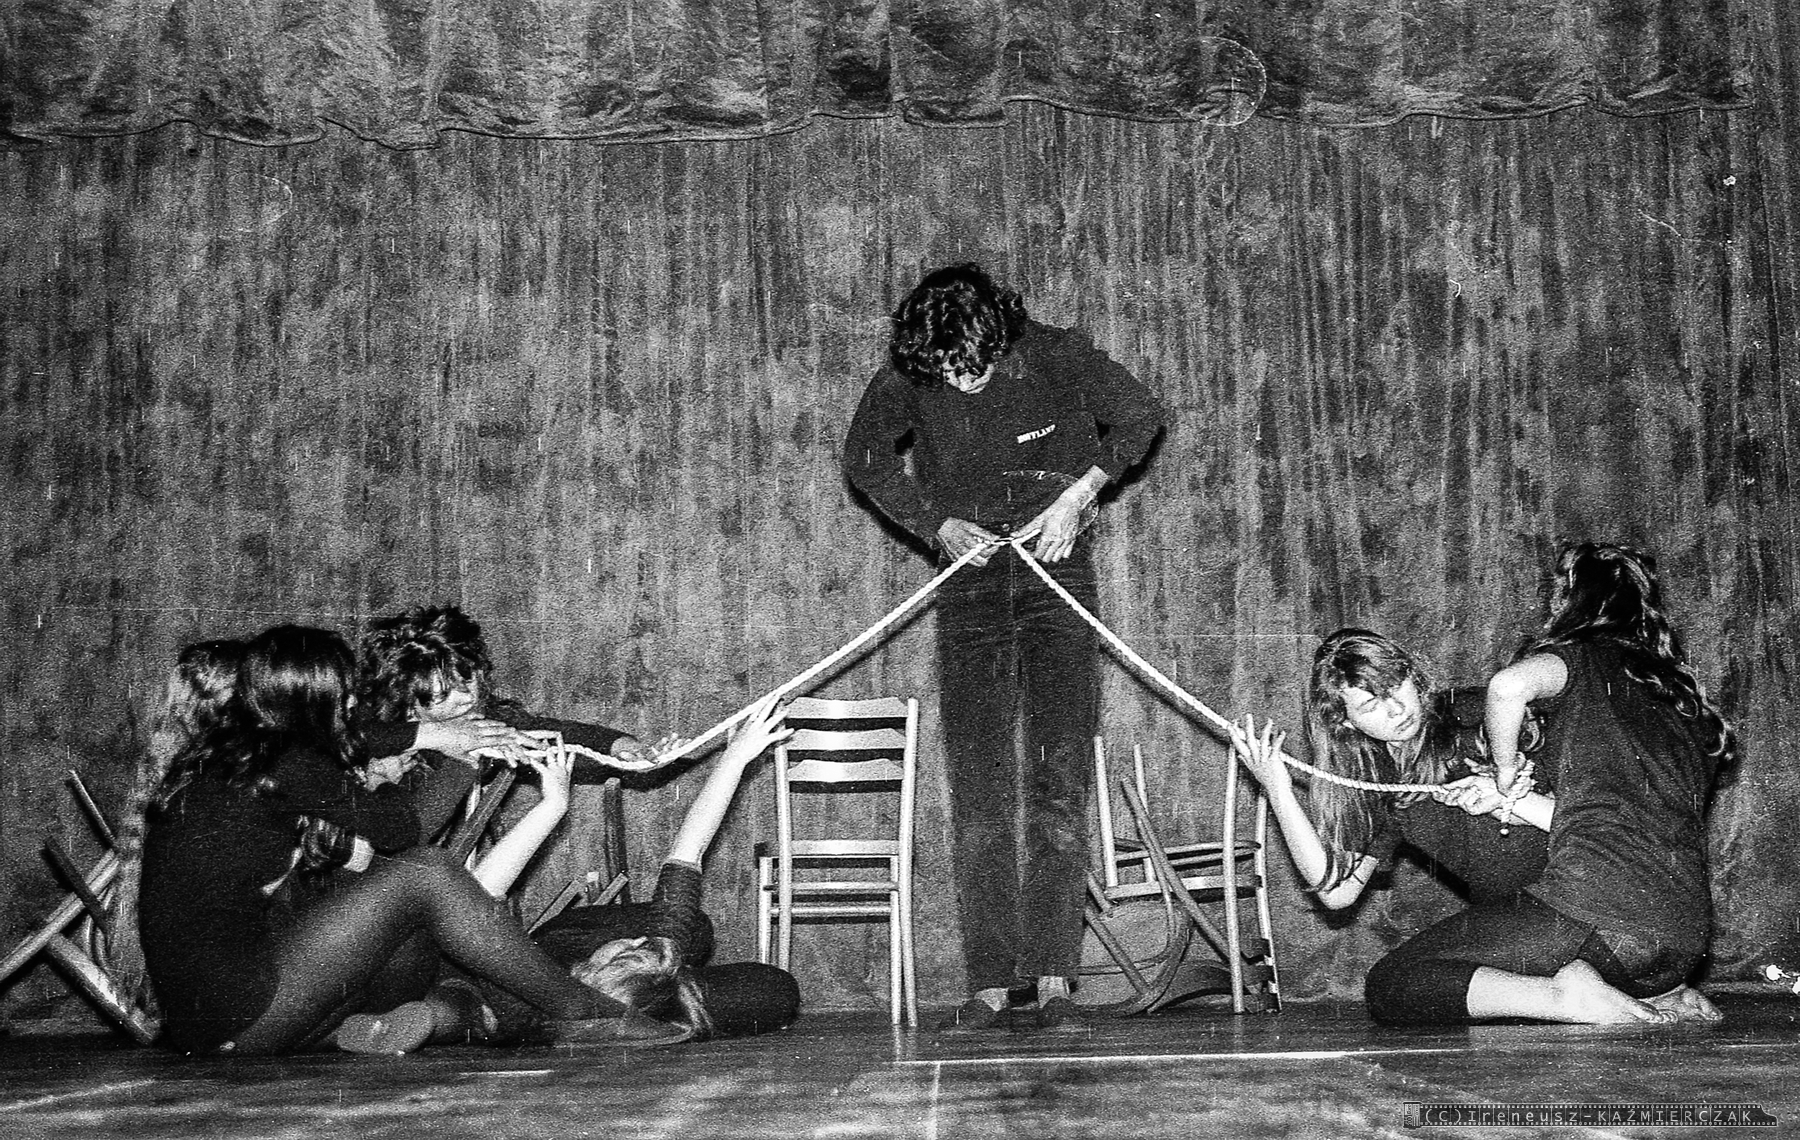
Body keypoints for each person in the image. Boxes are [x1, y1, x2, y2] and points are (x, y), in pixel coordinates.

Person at [842, 263, 1165, 1030]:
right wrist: (934, 523)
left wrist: (1078, 497)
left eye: (971, 366)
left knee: (1058, 778)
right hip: (971, 584)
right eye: (945, 372)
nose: (959, 381)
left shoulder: (1055, 354)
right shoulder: (918, 368)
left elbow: (1140, 416)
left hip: (1057, 572)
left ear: (998, 335)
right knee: (980, 785)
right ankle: (991, 984)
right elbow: (865, 457)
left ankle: (1054, 981)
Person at [137, 624, 645, 1055]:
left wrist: (433, 736)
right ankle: (587, 1011)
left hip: (226, 1013)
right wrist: (460, 755)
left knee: (417, 932)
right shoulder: (290, 764)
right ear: (314, 703)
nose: (352, 704)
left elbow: (364, 735)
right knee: (426, 872)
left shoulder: (232, 752)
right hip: (238, 1016)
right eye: (344, 695)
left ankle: (378, 1027)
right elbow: (405, 829)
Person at [333, 694, 804, 1054]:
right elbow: (690, 849)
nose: (639, 942)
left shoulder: (533, 988)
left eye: (628, 952)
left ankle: (423, 1019)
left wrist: (552, 807)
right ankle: (429, 1017)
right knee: (760, 979)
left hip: (521, 983)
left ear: (593, 972)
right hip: (626, 994)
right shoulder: (662, 953)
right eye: (646, 949)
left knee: (471, 1007)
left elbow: (476, 892)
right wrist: (735, 759)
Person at [356, 604, 660, 842]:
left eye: (468, 679)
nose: (466, 697)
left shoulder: (483, 722)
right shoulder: (371, 732)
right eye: (443, 695)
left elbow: (555, 735)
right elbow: (408, 835)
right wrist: (438, 739)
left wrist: (619, 747)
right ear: (407, 703)